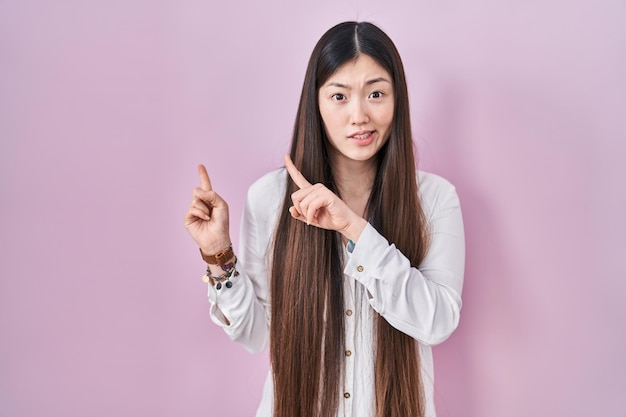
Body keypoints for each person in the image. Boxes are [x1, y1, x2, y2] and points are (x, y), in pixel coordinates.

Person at [184, 21, 465, 417]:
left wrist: (354, 228)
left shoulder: (434, 199)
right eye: (339, 95)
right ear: (315, 103)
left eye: (376, 93)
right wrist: (218, 254)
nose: (359, 115)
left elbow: (436, 322)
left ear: (397, 99)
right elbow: (255, 334)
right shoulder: (269, 198)